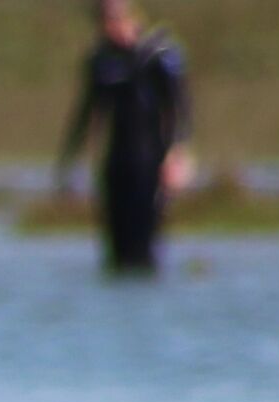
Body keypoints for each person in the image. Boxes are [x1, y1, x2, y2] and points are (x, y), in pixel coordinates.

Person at [54, 0, 193, 278]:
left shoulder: (159, 55)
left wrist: (178, 153)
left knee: (144, 245)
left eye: (116, 17)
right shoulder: (101, 60)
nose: (111, 25)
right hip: (117, 161)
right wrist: (68, 162)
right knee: (116, 248)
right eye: (105, 19)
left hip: (151, 161)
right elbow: (87, 112)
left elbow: (180, 108)